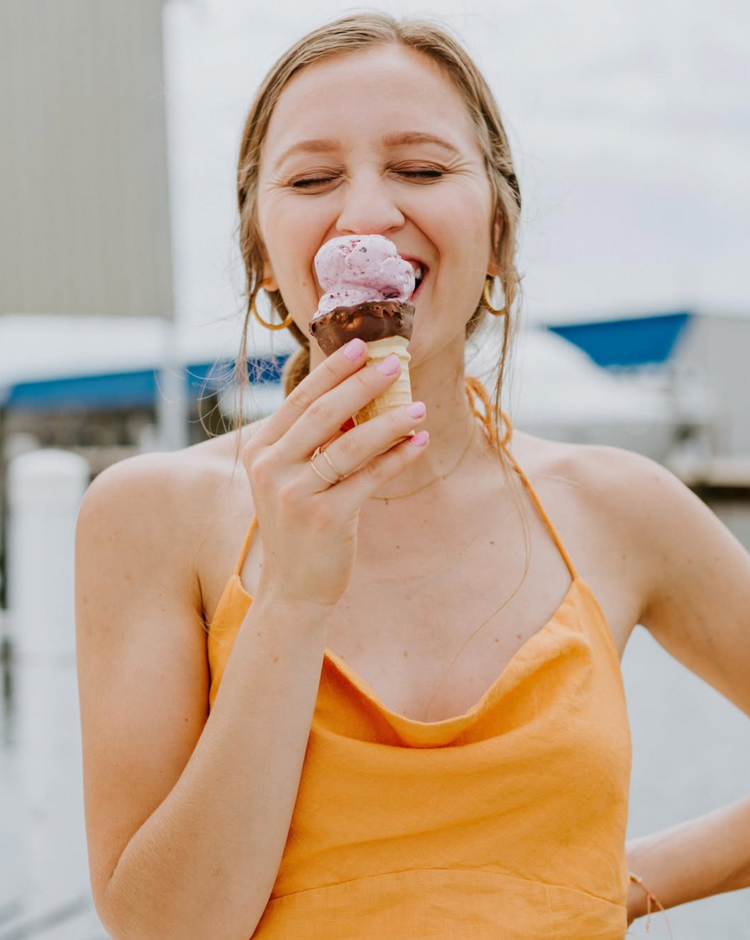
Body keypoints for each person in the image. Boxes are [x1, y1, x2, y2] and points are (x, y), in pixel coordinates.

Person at [75, 13, 750, 940]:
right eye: (312, 179)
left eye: (422, 171)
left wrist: (616, 885)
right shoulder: (150, 515)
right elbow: (167, 929)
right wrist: (293, 598)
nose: (365, 215)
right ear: (264, 257)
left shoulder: (621, 506)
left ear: (499, 233)